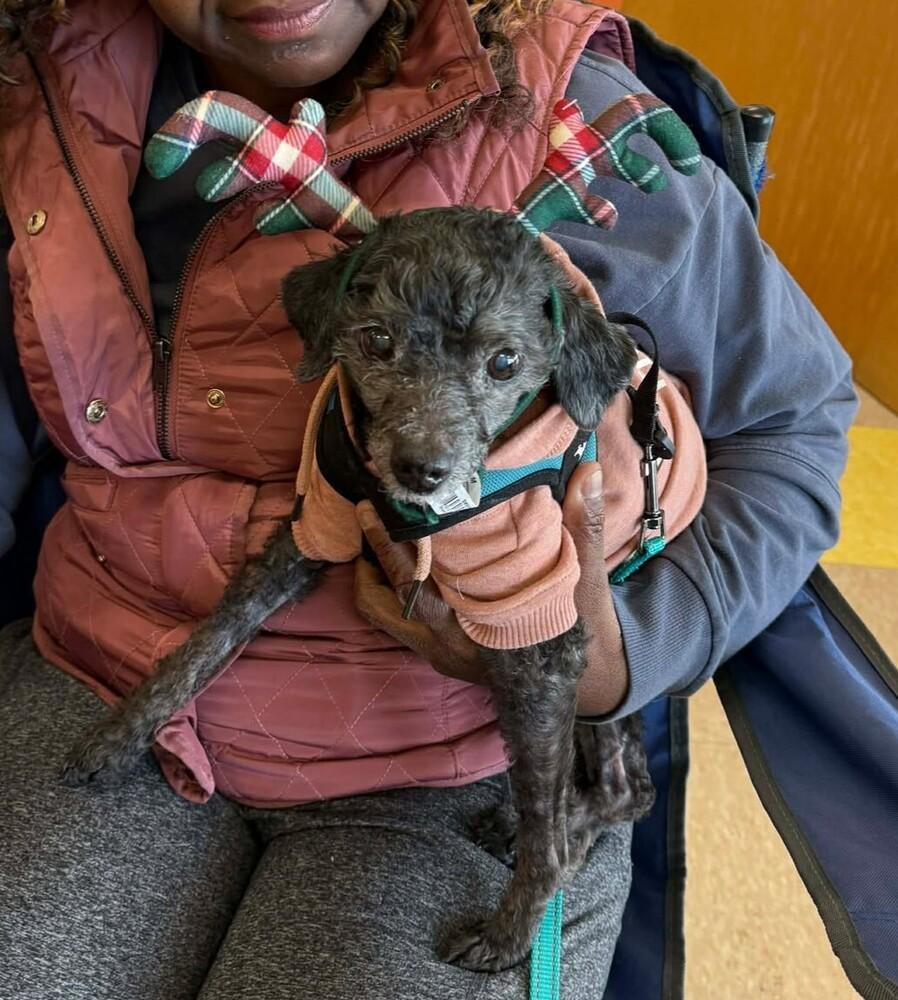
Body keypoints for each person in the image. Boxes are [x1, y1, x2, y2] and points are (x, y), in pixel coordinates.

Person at [0, 1, 856, 998]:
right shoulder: (40, 100)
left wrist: (628, 652)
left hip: (458, 750)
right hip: (99, 670)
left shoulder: (589, 136)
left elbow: (789, 419)